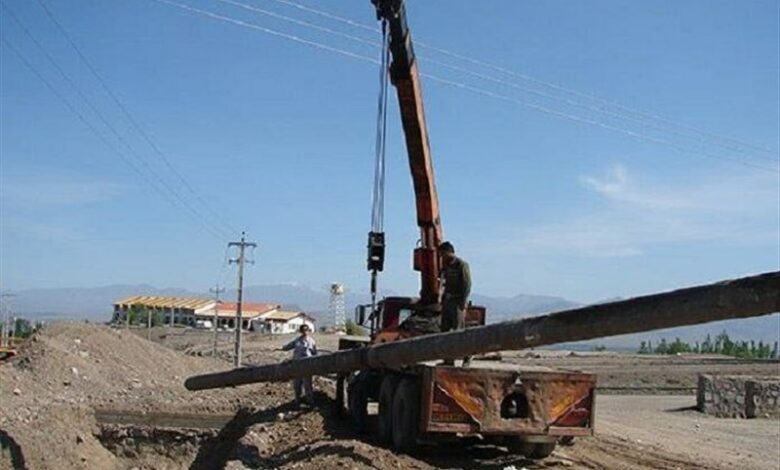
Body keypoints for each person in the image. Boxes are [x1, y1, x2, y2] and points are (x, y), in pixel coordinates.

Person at [438, 241, 472, 366]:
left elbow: (467, 284)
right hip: (447, 302)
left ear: (448, 252)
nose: (441, 257)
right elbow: (443, 282)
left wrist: (463, 302)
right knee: (445, 331)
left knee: (459, 332)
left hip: (457, 303)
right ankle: (448, 360)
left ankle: (467, 355)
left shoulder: (461, 265)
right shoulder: (447, 266)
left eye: (442, 254)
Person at [281, 324, 317, 406]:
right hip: (297, 366)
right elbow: (288, 346)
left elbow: (315, 354)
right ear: (301, 331)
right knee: (297, 385)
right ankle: (297, 401)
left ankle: (310, 402)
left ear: (308, 331)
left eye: (306, 330)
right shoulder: (297, 340)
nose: (305, 332)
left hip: (307, 366)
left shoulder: (312, 341)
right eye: (303, 330)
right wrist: (282, 348)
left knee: (307, 385)